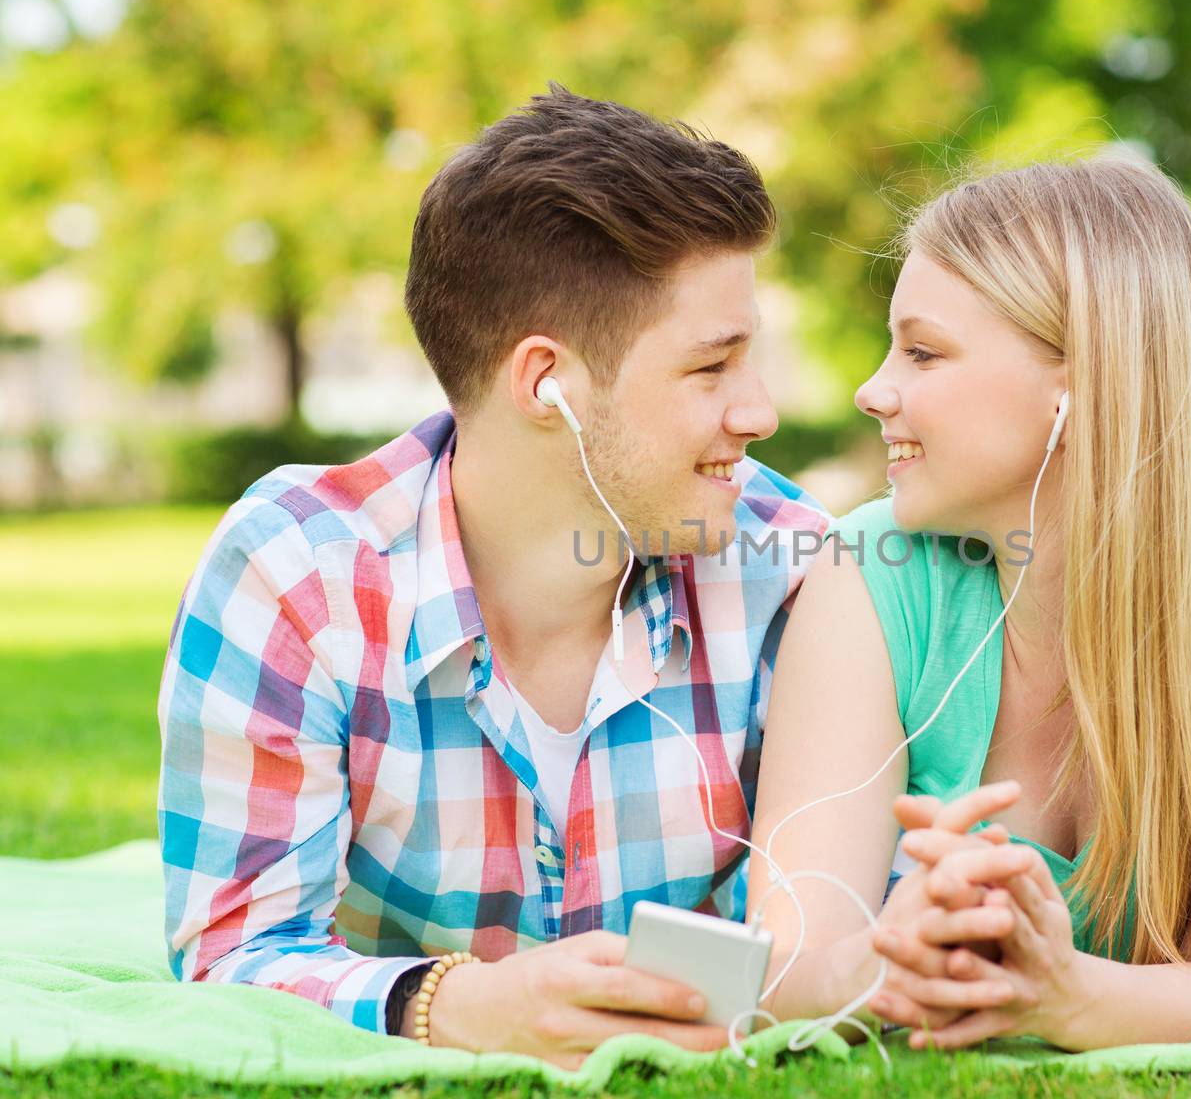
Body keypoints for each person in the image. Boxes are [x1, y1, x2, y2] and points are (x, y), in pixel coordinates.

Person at [157, 85, 831, 1069]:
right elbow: (232, 951)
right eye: (711, 367)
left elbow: (850, 922)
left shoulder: (788, 565)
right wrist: (459, 1004)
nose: (760, 410)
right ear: (545, 385)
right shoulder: (295, 575)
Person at [748, 156, 1191, 1050]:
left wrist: (1058, 995)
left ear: (1083, 380)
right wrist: (896, 955)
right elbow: (793, 957)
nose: (874, 390)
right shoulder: (871, 569)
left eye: (922, 350)